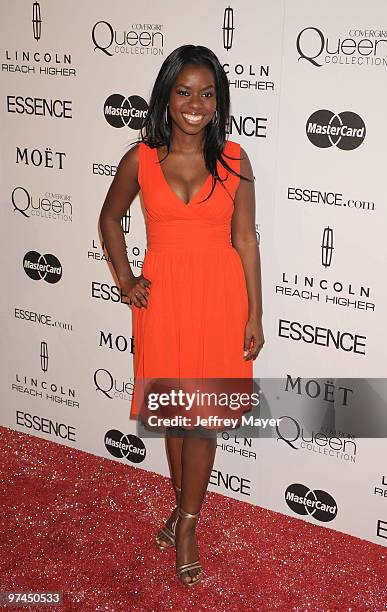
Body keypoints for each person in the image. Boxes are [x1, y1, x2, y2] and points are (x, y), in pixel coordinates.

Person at [99, 44, 264, 587]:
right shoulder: (141, 158)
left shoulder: (235, 160)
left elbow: (245, 239)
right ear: (167, 98)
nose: (196, 104)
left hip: (220, 298)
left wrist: (255, 314)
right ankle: (184, 507)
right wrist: (126, 281)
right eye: (185, 92)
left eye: (208, 93)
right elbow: (110, 217)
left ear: (220, 101)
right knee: (174, 415)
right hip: (164, 298)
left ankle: (187, 522)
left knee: (203, 421)